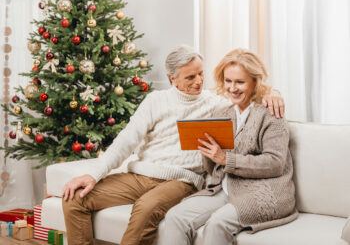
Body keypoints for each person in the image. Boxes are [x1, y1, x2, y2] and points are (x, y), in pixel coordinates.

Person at [62, 45, 285, 245]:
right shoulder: (155, 101)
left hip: (183, 180)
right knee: (75, 199)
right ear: (172, 79)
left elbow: (247, 93)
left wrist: (273, 93)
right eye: (190, 77)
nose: (198, 82)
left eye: (200, 74)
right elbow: (125, 141)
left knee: (145, 208)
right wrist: (92, 175)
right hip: (141, 176)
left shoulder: (216, 104)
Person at [157, 49, 298, 245]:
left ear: (254, 82)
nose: (233, 88)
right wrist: (208, 151)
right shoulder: (222, 110)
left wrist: (225, 158)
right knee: (175, 218)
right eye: (228, 81)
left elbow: (275, 163)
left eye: (240, 82)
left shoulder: (271, 114)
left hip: (264, 192)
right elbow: (212, 168)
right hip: (225, 187)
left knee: (217, 224)